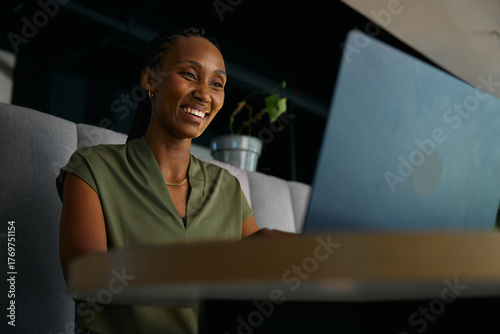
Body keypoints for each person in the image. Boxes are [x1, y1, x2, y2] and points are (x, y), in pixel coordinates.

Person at [56, 27, 293, 334]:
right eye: (189, 74)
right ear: (149, 80)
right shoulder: (93, 167)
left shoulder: (226, 186)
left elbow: (261, 269)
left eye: (217, 83)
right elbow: (84, 278)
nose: (205, 94)